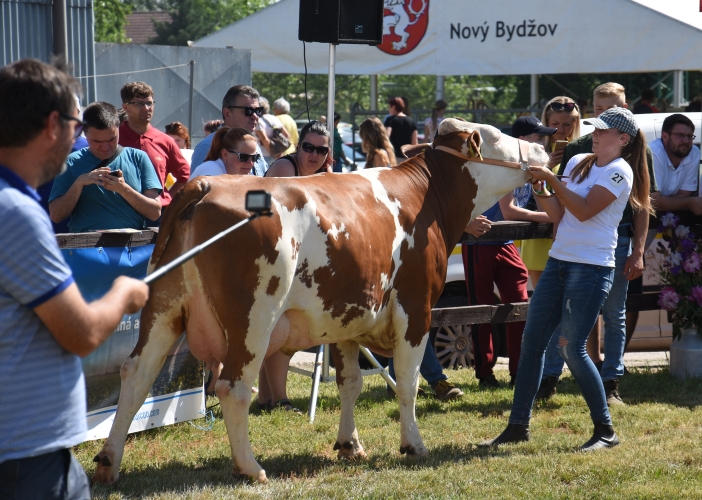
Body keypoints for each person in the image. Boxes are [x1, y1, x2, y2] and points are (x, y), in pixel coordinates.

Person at [0, 58, 149, 500]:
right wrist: (124, 293)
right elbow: (81, 333)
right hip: (27, 458)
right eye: (76, 123)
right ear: (52, 125)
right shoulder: (16, 214)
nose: (80, 138)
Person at [482, 107, 652, 451]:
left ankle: (606, 431)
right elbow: (558, 213)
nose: (595, 134)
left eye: (603, 131)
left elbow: (585, 210)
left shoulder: (620, 172)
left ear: (623, 140)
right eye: (596, 128)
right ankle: (518, 426)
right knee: (532, 344)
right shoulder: (579, 162)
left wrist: (552, 180)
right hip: (561, 261)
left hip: (591, 268)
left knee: (572, 349)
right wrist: (542, 186)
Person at [537, 83, 659, 405]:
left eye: (609, 110)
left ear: (624, 111)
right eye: (598, 110)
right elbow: (564, 205)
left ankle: (610, 381)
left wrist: (638, 251)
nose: (601, 117)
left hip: (614, 241)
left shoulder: (635, 154)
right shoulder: (578, 149)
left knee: (613, 313)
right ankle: (552, 377)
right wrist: (554, 217)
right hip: (577, 243)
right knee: (568, 315)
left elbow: (642, 204)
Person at [462, 116, 555, 390]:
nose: (543, 143)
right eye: (538, 138)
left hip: (505, 243)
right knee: (480, 311)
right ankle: (485, 374)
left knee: (520, 307)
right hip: (479, 244)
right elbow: (509, 210)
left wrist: (545, 194)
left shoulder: (528, 167)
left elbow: (527, 203)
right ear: (523, 141)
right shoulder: (507, 163)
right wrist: (549, 217)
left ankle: (518, 371)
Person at [258, 121, 332, 411]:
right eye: (308, 147)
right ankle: (280, 399)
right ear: (298, 146)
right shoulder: (284, 170)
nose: (314, 154)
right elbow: (255, 206)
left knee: (278, 327)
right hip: (271, 257)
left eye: (321, 150)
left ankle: (266, 399)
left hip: (296, 260)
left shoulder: (322, 174)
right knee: (282, 327)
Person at [49, 102, 162, 232]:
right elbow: (56, 216)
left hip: (131, 248)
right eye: (97, 141)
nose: (105, 147)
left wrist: (124, 190)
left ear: (118, 129)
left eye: (111, 139)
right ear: (85, 134)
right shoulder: (71, 162)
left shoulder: (138, 158)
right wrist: (79, 183)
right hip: (86, 249)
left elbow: (155, 212)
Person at [520, 97, 582, 289]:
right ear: (546, 122)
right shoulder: (535, 150)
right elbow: (522, 189)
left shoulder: (583, 152)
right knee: (543, 301)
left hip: (571, 235)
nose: (561, 129)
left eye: (567, 124)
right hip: (539, 236)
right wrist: (548, 166)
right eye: (555, 124)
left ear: (576, 123)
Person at [118, 82, 190, 223]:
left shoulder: (165, 141)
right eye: (139, 104)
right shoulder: (114, 139)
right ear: (125, 107)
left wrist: (166, 198)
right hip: (121, 215)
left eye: (149, 103)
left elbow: (184, 176)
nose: (146, 108)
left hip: (157, 217)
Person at [191, 85, 268, 177]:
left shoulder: (253, 145)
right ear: (227, 114)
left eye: (258, 111)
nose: (255, 116)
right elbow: (199, 188)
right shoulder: (208, 146)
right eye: (248, 110)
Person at [649, 114, 702, 214]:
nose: (686, 140)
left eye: (689, 136)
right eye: (680, 135)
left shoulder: (693, 152)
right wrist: (690, 203)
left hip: (671, 218)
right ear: (665, 136)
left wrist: (664, 201)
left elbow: (685, 194)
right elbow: (653, 201)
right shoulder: (653, 153)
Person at [189, 127, 259, 178]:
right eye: (244, 157)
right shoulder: (211, 171)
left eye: (254, 157)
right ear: (225, 155)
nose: (251, 163)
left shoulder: (244, 172)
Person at [255, 96, 291, 163]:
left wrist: (274, 153)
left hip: (264, 156)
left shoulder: (258, 121)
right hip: (278, 156)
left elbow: (264, 139)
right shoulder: (274, 118)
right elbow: (287, 135)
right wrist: (279, 152)